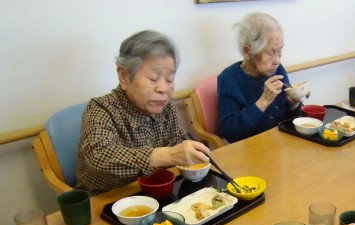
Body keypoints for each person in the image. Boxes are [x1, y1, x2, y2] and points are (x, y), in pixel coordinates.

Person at [76, 30, 210, 195]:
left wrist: (188, 151)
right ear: (124, 76)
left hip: (157, 191)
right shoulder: (101, 109)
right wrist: (168, 155)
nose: (163, 89)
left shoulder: (167, 106)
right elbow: (99, 156)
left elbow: (177, 140)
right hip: (109, 199)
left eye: (169, 79)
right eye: (153, 78)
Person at [218, 12, 304, 143]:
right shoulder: (229, 78)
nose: (277, 60)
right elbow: (231, 133)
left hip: (283, 142)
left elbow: (291, 119)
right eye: (271, 53)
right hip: (253, 148)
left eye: (279, 51)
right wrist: (263, 101)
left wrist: (294, 106)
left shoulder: (278, 69)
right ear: (247, 51)